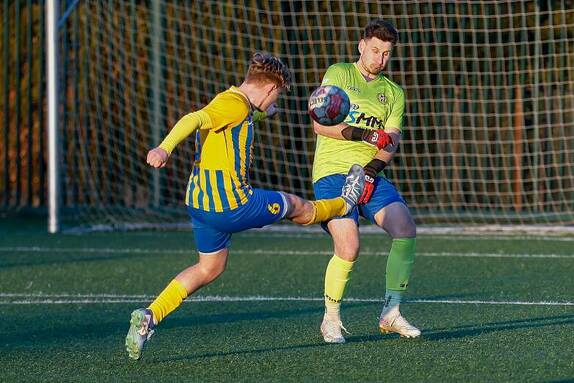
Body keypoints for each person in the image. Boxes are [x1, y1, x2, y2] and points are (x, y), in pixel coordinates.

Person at [125, 52, 366, 360]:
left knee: (209, 267)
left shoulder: (235, 102)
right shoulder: (232, 105)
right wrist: (164, 148)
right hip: (232, 203)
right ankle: (345, 200)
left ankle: (149, 316)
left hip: (200, 204)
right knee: (294, 205)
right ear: (268, 89)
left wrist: (274, 111)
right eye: (276, 95)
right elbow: (193, 118)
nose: (274, 100)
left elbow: (244, 115)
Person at [312, 19, 420, 343]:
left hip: (369, 173)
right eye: (375, 50)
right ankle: (330, 319)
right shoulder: (339, 73)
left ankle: (391, 312)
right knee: (349, 246)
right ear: (362, 45)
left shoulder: (393, 93)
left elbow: (391, 141)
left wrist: (371, 171)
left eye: (387, 53)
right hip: (332, 172)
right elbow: (320, 125)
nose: (380, 58)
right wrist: (364, 133)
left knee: (405, 228)